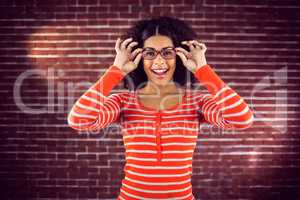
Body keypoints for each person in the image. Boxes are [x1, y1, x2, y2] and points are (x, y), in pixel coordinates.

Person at [68, 16, 254, 200]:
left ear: (180, 56)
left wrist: (202, 69)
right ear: (139, 58)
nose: (159, 62)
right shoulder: (123, 102)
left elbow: (242, 119)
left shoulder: (197, 103)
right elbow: (79, 120)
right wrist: (116, 70)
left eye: (167, 53)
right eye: (149, 53)